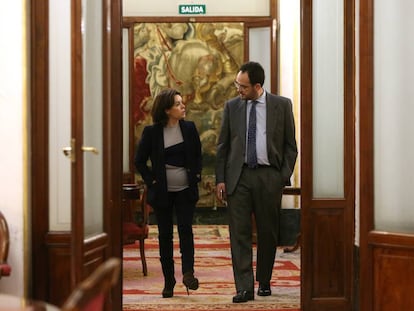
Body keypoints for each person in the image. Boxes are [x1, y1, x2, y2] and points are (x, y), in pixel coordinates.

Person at [215, 61, 297, 303]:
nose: (238, 90)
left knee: (268, 232)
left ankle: (264, 280)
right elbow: (223, 146)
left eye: (243, 86)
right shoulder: (232, 107)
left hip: (268, 176)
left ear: (257, 86)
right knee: (238, 233)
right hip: (238, 178)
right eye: (236, 85)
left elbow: (290, 147)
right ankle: (244, 287)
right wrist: (221, 179)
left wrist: (280, 177)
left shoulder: (281, 106)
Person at [134, 88, 202, 298]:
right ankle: (169, 280)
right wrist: (151, 181)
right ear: (166, 110)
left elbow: (198, 156)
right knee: (165, 236)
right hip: (162, 193)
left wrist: (196, 176)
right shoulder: (152, 133)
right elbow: (139, 161)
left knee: (185, 231)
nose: (183, 106)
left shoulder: (189, 128)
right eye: (178, 104)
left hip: (185, 191)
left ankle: (188, 273)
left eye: (182, 103)